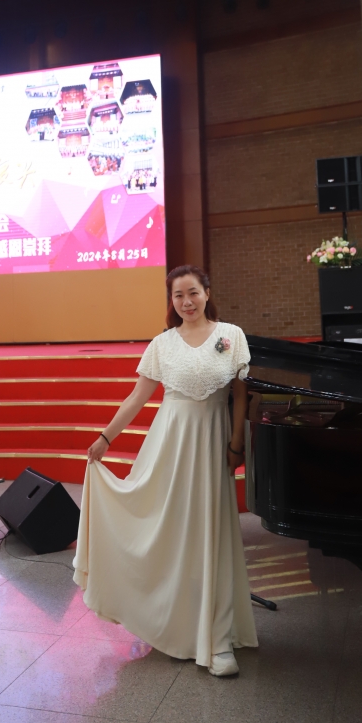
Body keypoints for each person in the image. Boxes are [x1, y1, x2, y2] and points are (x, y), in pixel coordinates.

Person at [73, 264, 258, 676]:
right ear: (171, 301)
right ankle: (174, 625)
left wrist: (236, 444)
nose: (187, 302)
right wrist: (105, 438)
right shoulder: (162, 344)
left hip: (213, 443)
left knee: (211, 532)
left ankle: (217, 637)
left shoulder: (232, 336)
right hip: (169, 444)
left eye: (193, 292)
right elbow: (137, 397)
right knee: (169, 531)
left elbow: (241, 396)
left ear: (207, 293)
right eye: (178, 295)